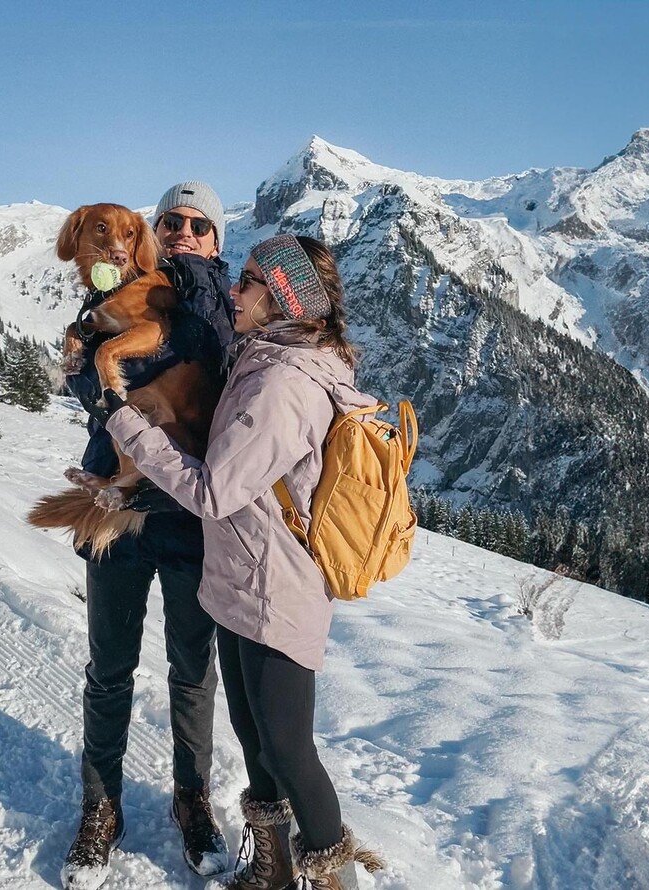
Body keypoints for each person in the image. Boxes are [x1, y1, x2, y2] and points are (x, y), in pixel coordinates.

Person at [100, 235, 386, 890]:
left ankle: (330, 876)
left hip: (275, 590)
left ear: (283, 298)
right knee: (257, 742)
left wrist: (127, 426)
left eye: (251, 280)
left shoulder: (284, 384)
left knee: (288, 748)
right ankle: (274, 875)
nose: (237, 288)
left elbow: (214, 491)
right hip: (243, 578)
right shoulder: (269, 357)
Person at [60, 182, 236, 890]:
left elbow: (225, 374)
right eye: (173, 221)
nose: (186, 230)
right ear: (155, 231)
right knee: (109, 669)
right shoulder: (127, 287)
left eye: (201, 224)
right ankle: (100, 808)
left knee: (193, 673)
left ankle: (192, 802)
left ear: (218, 241)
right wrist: (90, 353)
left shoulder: (225, 302)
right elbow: (86, 390)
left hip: (193, 516)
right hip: (118, 506)